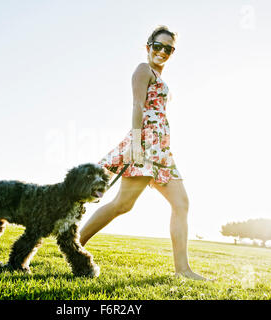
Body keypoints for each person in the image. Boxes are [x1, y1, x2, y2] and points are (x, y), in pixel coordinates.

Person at [79, 25, 209, 281]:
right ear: (148, 46)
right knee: (122, 205)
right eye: (158, 46)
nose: (162, 51)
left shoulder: (163, 81)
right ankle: (75, 246)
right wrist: (137, 144)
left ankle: (183, 270)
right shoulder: (143, 70)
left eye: (168, 49)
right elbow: (138, 105)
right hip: (146, 144)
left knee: (181, 204)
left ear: (172, 52)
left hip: (162, 151)